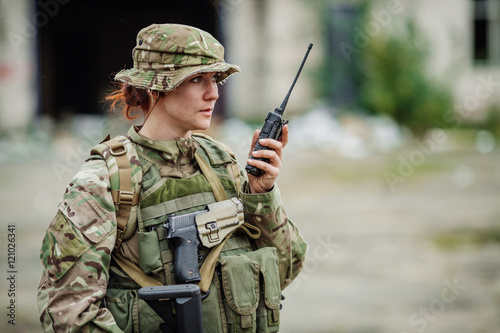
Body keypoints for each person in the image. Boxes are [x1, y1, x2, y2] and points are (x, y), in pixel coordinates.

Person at [37, 23, 307, 332]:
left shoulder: (220, 162)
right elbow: (68, 314)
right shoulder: (103, 182)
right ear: (155, 87)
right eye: (197, 79)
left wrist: (261, 194)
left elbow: (286, 269)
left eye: (215, 79)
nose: (214, 93)